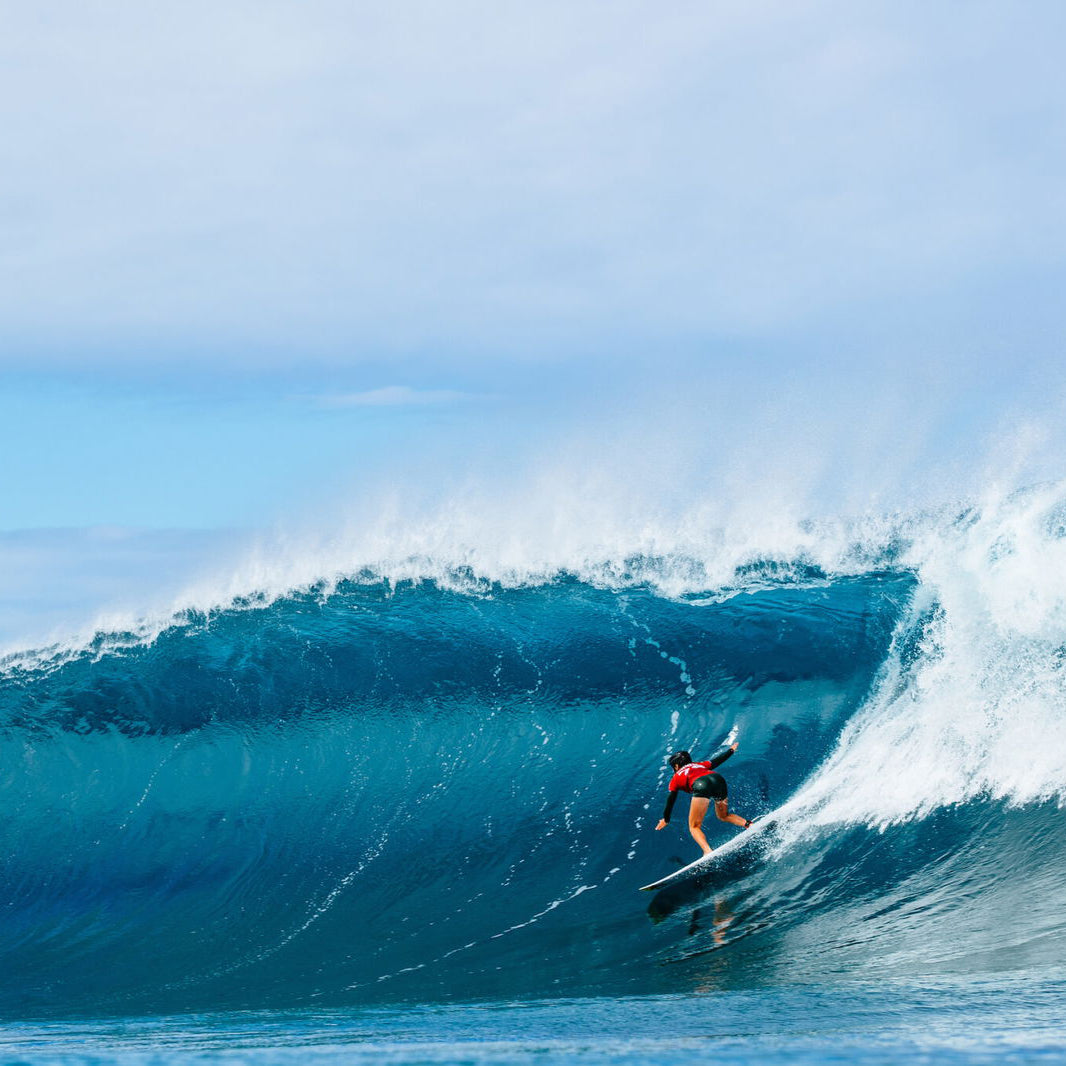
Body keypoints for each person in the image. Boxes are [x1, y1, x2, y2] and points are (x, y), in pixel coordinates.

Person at [655, 743, 751, 856]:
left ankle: (707, 851)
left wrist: (666, 819)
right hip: (718, 779)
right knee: (723, 815)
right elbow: (716, 761)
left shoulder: (676, 778)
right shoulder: (698, 765)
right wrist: (730, 750)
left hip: (701, 785)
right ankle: (749, 824)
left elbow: (670, 800)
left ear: (676, 766)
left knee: (694, 826)